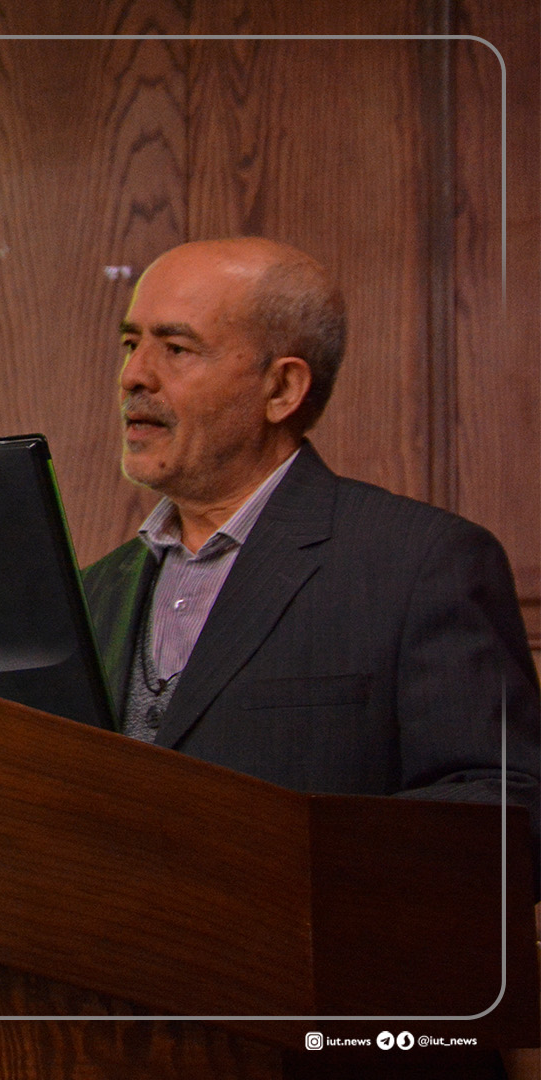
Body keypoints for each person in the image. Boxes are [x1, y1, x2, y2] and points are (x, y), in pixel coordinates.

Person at [81, 237, 540, 830]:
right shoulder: (94, 592)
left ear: (281, 390)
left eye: (175, 348)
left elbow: (503, 809)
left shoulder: (423, 563)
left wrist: (285, 855)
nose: (133, 376)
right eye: (130, 344)